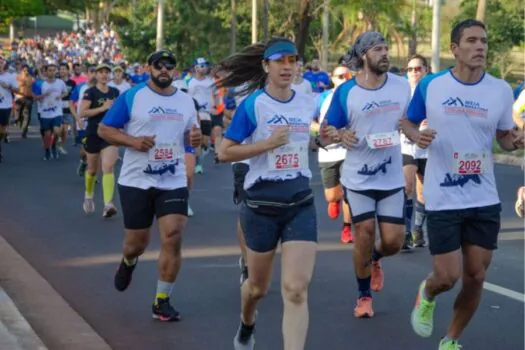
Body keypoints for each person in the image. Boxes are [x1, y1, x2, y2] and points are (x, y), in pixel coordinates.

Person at [402, 19, 524, 350]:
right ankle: (427, 294)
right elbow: (406, 121)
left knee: (476, 276)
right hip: (443, 196)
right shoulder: (431, 85)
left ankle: (451, 339)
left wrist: (517, 139)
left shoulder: (499, 90)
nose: (480, 46)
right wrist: (416, 135)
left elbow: (504, 138)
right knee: (447, 276)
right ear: (455, 49)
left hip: (482, 195)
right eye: (471, 41)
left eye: (483, 41)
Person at [216, 37, 319, 350]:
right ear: (266, 66)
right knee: (258, 288)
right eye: (280, 61)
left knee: (296, 289)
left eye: (292, 60)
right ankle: (247, 323)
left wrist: (326, 137)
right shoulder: (254, 105)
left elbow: (306, 141)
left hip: (299, 202)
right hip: (261, 205)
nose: (287, 67)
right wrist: (266, 145)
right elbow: (224, 152)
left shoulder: (305, 100)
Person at [98, 49, 202, 322]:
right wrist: (133, 142)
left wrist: (194, 148)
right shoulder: (133, 97)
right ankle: (129, 261)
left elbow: (192, 136)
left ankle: (162, 300)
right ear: (149, 68)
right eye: (159, 65)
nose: (164, 70)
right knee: (137, 243)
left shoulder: (186, 101)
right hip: (136, 179)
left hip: (172, 177)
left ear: (175, 71)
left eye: (169, 66)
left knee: (173, 233)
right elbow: (105, 129)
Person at [321, 31, 411, 318]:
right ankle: (364, 296)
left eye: (386, 48)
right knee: (364, 232)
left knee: (394, 241)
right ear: (363, 56)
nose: (385, 53)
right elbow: (325, 134)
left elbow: (410, 120)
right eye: (377, 49)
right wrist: (338, 134)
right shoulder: (346, 91)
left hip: (391, 176)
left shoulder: (401, 86)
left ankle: (374, 258)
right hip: (358, 177)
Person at [310, 65, 353, 243]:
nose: (344, 79)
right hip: (328, 153)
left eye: (347, 75)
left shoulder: (355, 96)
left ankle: (347, 228)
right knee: (332, 195)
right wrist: (321, 130)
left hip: (348, 151)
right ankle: (334, 200)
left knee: (349, 191)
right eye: (340, 76)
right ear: (333, 79)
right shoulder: (323, 97)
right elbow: (309, 122)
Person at [79, 63, 120, 217]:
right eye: (101, 72)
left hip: (110, 133)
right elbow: (83, 112)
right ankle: (89, 194)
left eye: (107, 72)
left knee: (108, 167)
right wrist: (103, 108)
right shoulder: (91, 92)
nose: (104, 75)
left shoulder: (115, 92)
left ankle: (108, 204)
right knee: (92, 169)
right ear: (96, 75)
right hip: (93, 133)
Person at [403, 54, 430, 248]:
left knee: (424, 193)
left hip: (428, 148)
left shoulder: (434, 91)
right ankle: (405, 231)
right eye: (410, 69)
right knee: (407, 186)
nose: (414, 72)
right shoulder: (402, 92)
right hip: (406, 145)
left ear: (426, 71)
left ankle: (418, 228)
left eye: (418, 68)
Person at [0, 54, 19, 162]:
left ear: (4, 65)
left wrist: (8, 87)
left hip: (5, 106)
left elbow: (17, 90)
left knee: (2, 130)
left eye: (1, 63)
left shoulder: (10, 76)